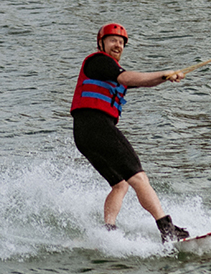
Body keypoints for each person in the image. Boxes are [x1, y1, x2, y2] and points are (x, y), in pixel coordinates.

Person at [70, 23, 190, 242]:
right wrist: (164, 73)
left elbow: (144, 81)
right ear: (101, 43)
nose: (118, 45)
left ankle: (108, 231)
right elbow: (127, 78)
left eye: (122, 42)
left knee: (120, 184)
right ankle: (167, 229)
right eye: (113, 40)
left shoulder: (110, 72)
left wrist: (167, 77)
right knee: (139, 177)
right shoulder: (99, 62)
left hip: (84, 134)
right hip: (97, 127)